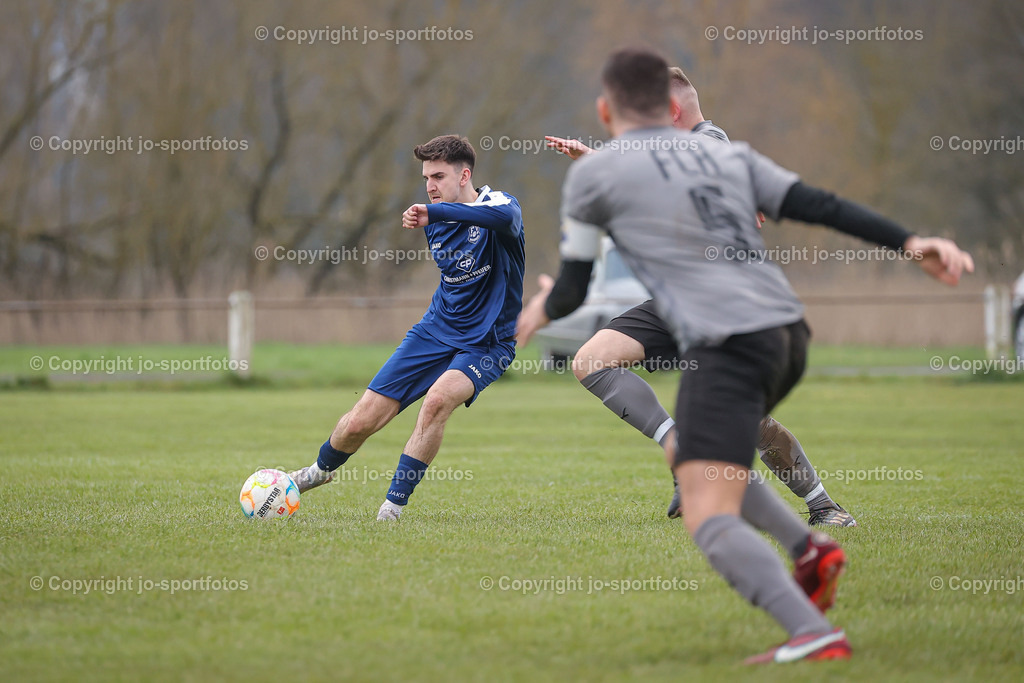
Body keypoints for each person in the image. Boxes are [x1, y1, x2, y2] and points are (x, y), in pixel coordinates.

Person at [517, 47, 973, 663]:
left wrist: (532, 316)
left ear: (604, 110)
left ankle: (812, 627)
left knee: (707, 504)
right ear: (667, 108)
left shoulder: (634, 164)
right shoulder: (722, 158)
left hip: (723, 330)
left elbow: (573, 286)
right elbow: (818, 202)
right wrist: (911, 242)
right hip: (781, 329)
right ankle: (807, 545)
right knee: (659, 411)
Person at [544, 67, 854, 527]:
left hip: (720, 305)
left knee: (744, 418)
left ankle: (823, 505)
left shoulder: (710, 141)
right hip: (676, 301)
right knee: (591, 360)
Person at [289, 134, 525, 521]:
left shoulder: (499, 205)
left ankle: (391, 508)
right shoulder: (434, 219)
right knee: (360, 421)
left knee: (437, 402)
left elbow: (506, 220)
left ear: (465, 175)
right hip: (434, 332)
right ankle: (316, 472)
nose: (430, 186)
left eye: (439, 176)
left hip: (487, 344)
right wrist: (436, 215)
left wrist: (439, 213)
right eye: (425, 178)